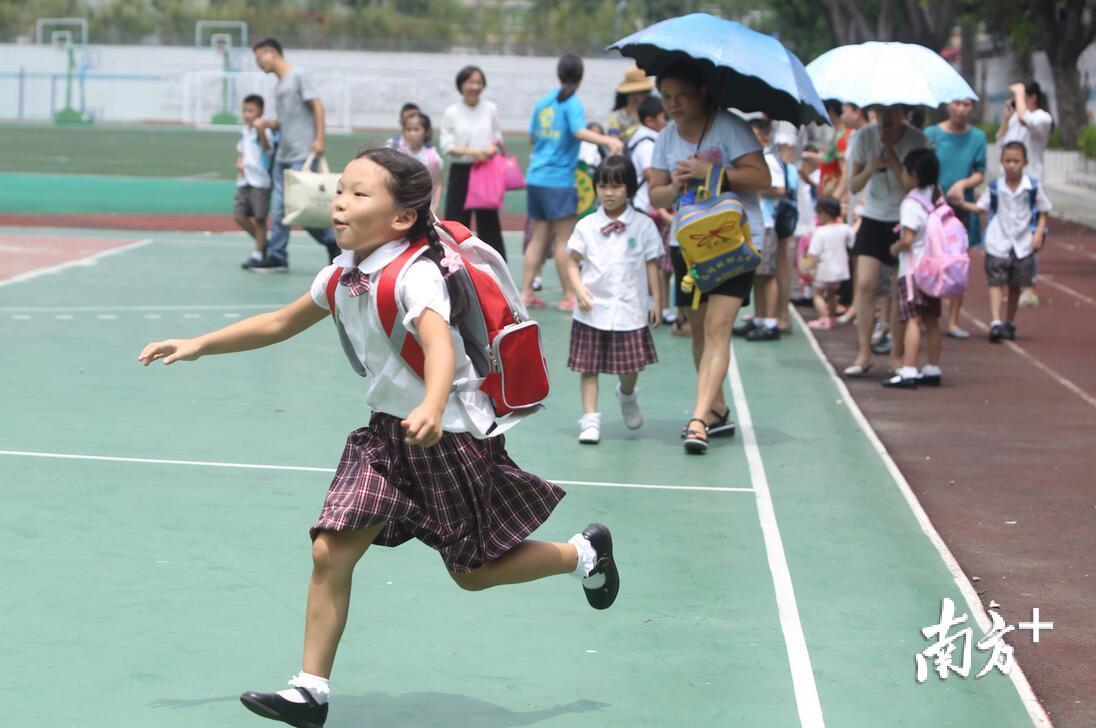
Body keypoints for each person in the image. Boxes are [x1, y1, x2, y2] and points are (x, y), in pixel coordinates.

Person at [137, 148, 621, 728]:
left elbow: (440, 347)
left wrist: (434, 405)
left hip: (447, 439)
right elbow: (278, 322)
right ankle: (309, 691)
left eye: (360, 193)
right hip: (386, 439)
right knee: (329, 549)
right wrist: (199, 343)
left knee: (473, 573)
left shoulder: (415, 274)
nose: (341, 200)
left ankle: (584, 553)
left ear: (401, 217)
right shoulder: (342, 272)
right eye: (340, 188)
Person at [647, 60, 771, 454]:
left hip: (734, 241)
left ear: (702, 91)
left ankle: (698, 419)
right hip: (689, 243)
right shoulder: (665, 138)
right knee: (699, 332)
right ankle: (717, 410)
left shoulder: (729, 126)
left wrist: (712, 170)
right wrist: (678, 183)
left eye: (681, 95)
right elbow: (655, 194)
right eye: (667, 97)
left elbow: (763, 178)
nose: (674, 103)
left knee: (718, 328)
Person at [563, 155, 662, 444]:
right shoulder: (586, 226)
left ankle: (627, 394)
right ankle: (590, 420)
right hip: (592, 308)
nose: (608, 192)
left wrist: (657, 301)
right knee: (588, 366)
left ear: (629, 189)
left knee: (630, 367)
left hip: (630, 308)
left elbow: (652, 265)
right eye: (603, 185)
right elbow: (572, 262)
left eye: (616, 186)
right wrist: (578, 288)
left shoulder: (644, 226)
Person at [522, 54, 624, 311]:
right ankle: (569, 294)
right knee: (564, 241)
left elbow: (533, 137)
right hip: (558, 180)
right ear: (580, 77)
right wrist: (608, 141)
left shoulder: (544, 102)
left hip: (536, 177)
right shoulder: (573, 103)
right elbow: (579, 131)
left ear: (559, 74)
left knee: (538, 238)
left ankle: (525, 293)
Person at [844, 104, 929, 376]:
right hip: (873, 216)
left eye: (892, 119)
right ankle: (864, 352)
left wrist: (891, 153)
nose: (886, 125)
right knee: (866, 284)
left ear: (903, 114)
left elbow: (911, 185)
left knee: (897, 288)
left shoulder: (917, 139)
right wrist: (870, 167)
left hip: (904, 217)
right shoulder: (864, 136)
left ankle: (896, 354)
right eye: (882, 118)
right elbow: (854, 185)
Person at [248, 37, 339, 272]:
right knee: (280, 209)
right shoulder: (279, 85)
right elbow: (287, 121)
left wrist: (319, 139)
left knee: (303, 208)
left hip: (302, 153)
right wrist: (270, 124)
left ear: (272, 53)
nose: (258, 63)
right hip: (283, 155)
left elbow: (317, 106)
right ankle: (277, 256)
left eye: (259, 57)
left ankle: (332, 242)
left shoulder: (298, 75)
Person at [958, 141, 1051, 343]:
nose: (1011, 165)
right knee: (996, 281)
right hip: (997, 241)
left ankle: (1010, 321)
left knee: (1016, 284)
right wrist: (960, 203)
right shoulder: (995, 187)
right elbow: (980, 208)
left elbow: (1044, 211)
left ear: (1025, 162)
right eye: (1007, 160)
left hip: (1023, 242)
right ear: (1001, 162)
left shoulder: (1032, 187)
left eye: (1016, 161)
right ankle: (995, 322)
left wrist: (1038, 233)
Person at [883, 148, 946, 389]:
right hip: (935, 268)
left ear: (914, 174)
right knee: (932, 320)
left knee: (912, 320)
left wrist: (894, 248)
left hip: (913, 271)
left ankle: (908, 369)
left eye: (905, 171)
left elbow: (908, 239)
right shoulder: (937, 195)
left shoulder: (910, 202)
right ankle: (932, 367)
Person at [926, 98, 986, 339]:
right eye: (957, 104)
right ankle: (928, 314)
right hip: (932, 205)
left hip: (961, 207)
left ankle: (953, 320)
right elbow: (924, 164)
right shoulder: (931, 134)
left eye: (967, 104)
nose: (961, 109)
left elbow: (980, 172)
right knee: (930, 260)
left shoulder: (977, 138)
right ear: (948, 105)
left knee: (959, 262)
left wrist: (962, 184)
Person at [440, 65, 506, 260]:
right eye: (469, 82)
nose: (474, 86)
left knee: (489, 223)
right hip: (461, 171)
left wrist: (492, 147)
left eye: (478, 82)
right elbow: (447, 146)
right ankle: (453, 264)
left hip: (485, 170)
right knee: (457, 222)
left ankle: (496, 264)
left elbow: (497, 135)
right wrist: (475, 152)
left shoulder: (490, 109)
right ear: (461, 85)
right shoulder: (452, 112)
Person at [998, 81, 1054, 309]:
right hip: (1008, 184)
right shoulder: (1015, 118)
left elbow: (1026, 119)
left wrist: (1019, 93)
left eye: (1021, 96)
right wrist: (1005, 118)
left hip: (1030, 186)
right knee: (1009, 234)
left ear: (1031, 97)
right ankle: (1016, 282)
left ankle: (1029, 286)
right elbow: (1000, 141)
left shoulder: (1042, 117)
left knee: (1030, 236)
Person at [734, 117, 786, 342]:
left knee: (767, 275)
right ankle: (759, 318)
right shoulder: (747, 162)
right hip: (752, 225)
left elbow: (780, 189)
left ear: (764, 139)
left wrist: (759, 185)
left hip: (766, 224)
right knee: (757, 275)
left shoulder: (768, 160)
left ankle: (771, 322)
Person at [628, 95, 676, 327]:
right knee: (650, 261)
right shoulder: (647, 143)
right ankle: (651, 306)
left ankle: (652, 305)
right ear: (650, 120)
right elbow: (651, 175)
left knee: (648, 261)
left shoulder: (642, 138)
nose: (665, 121)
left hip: (645, 209)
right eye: (661, 117)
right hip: (644, 210)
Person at [234, 94, 276, 268]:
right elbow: (243, 151)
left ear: (260, 112)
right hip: (244, 180)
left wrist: (261, 130)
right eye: (244, 110)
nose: (247, 114)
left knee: (259, 219)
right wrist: (239, 161)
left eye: (251, 110)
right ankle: (264, 244)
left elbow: (267, 149)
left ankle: (258, 253)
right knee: (239, 216)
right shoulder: (245, 130)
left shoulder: (264, 130)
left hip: (260, 181)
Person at [801, 196, 852, 330]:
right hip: (840, 270)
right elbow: (852, 240)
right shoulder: (844, 228)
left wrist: (808, 269)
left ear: (823, 213)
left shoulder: (820, 232)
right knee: (832, 295)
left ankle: (824, 319)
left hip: (824, 270)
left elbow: (813, 254)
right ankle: (832, 317)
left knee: (817, 294)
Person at [388, 111, 444, 210]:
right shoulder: (395, 152)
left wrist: (435, 205)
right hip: (400, 205)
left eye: (416, 129)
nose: (412, 133)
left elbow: (437, 183)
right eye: (408, 129)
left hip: (422, 206)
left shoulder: (432, 158)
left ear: (427, 132)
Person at [608, 66, 654, 143]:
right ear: (630, 92)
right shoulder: (616, 117)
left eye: (647, 91)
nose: (646, 94)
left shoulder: (654, 113)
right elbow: (613, 141)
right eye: (642, 91)